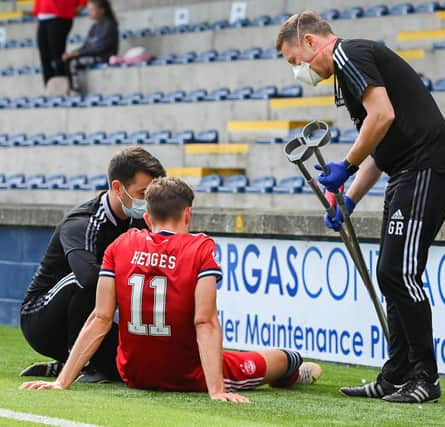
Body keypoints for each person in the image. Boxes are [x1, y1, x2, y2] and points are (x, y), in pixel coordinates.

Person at [276, 11, 445, 403]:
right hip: (405, 172)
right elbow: (379, 147)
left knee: (399, 272)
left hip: (427, 167)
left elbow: (383, 115)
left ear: (310, 42)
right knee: (390, 274)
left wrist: (344, 166)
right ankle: (396, 375)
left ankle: (425, 379)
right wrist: (348, 197)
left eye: (296, 61)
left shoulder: (349, 55)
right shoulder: (347, 77)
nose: (300, 71)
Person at [20, 177, 322, 401]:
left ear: (147, 217)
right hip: (187, 374)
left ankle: (290, 372)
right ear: (188, 214)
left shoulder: (120, 245)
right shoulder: (201, 247)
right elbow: (205, 321)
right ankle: (293, 368)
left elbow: (99, 319)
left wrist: (62, 382)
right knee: (278, 358)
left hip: (133, 374)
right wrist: (216, 390)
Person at [20, 147, 166, 382]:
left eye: (154, 194)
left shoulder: (141, 221)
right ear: (118, 188)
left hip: (89, 319)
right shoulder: (82, 223)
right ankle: (79, 363)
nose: (149, 202)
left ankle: (73, 363)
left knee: (135, 365)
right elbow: (87, 277)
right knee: (91, 278)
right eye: (143, 193)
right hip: (42, 320)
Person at [63, 0, 119, 94]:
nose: (89, 12)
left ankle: (75, 89)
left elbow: (101, 48)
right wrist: (73, 52)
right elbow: (86, 46)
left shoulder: (109, 26)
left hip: (103, 57)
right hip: (93, 54)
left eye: (92, 10)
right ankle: (71, 86)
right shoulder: (95, 27)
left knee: (72, 62)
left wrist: (79, 53)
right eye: (88, 10)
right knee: (68, 58)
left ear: (101, 10)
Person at [34, 0, 87, 86]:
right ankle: (50, 89)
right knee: (45, 57)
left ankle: (62, 88)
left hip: (59, 15)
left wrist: (75, 7)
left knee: (57, 56)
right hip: (43, 16)